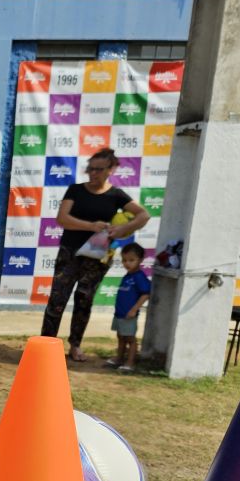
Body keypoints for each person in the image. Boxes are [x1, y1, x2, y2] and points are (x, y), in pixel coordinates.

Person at [40, 148, 149, 362]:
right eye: (90, 169)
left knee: (84, 300)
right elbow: (62, 219)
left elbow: (144, 215)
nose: (93, 174)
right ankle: (45, 345)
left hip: (97, 259)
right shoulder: (76, 190)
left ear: (111, 169)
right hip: (69, 253)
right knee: (57, 299)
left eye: (99, 170)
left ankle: (75, 345)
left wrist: (121, 230)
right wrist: (91, 226)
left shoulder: (116, 195)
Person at [107, 242, 151, 372]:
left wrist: (134, 309)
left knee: (130, 339)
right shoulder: (127, 276)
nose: (127, 263)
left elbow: (145, 294)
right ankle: (119, 358)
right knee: (120, 336)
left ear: (141, 260)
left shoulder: (139, 277)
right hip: (120, 314)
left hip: (129, 315)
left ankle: (130, 363)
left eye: (131, 260)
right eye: (124, 260)